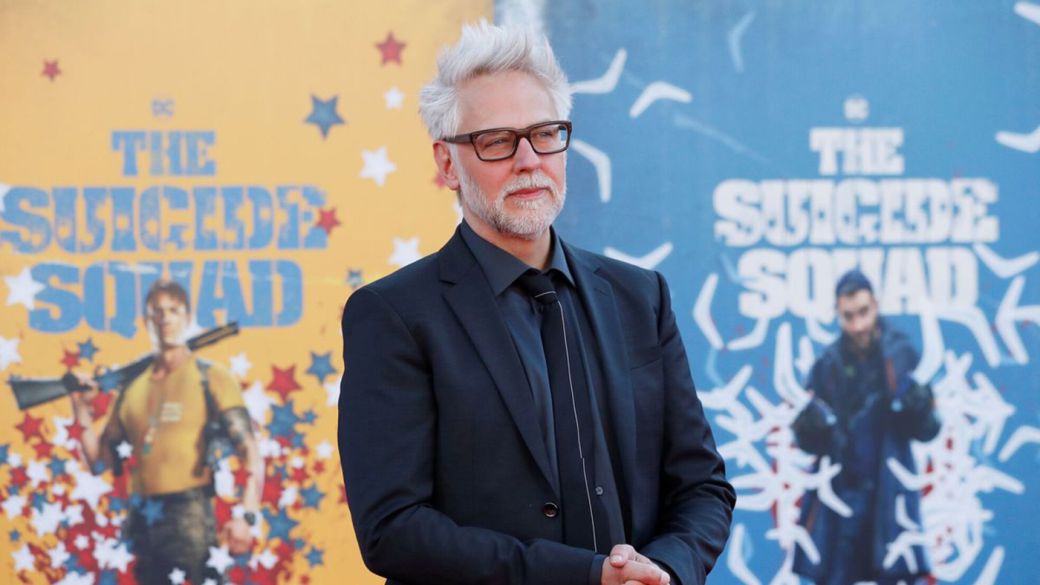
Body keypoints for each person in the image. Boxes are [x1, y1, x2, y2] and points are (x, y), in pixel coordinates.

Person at [337, 22, 734, 585]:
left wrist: (664, 570)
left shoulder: (640, 298)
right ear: (447, 164)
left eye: (545, 134)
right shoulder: (393, 315)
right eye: (496, 140)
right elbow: (392, 529)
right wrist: (584, 576)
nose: (528, 160)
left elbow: (702, 487)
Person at [69, 279, 264, 585]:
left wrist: (247, 516)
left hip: (190, 515)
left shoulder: (210, 377)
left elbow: (250, 451)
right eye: (157, 312)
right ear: (147, 321)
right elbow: (99, 461)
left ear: (187, 317)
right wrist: (81, 409)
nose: (165, 319)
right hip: (143, 519)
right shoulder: (131, 390)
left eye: (173, 310)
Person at [791, 270, 940, 585]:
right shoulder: (828, 364)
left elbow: (928, 430)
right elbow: (808, 440)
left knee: (897, 574)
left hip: (889, 494)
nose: (858, 324)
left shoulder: (901, 355)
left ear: (876, 305)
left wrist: (921, 406)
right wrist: (809, 426)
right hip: (841, 497)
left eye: (863, 312)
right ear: (838, 314)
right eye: (849, 316)